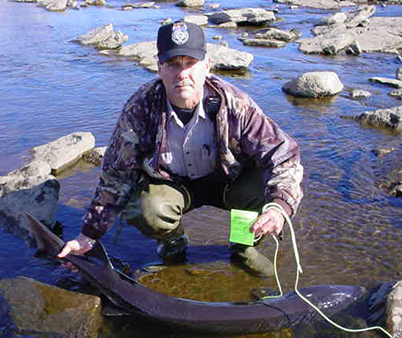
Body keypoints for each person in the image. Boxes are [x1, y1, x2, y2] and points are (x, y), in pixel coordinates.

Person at [58, 20, 304, 277]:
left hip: (230, 182)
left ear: (206, 66)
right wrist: (88, 236)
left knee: (264, 193)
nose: (182, 74)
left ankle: (243, 248)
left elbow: (283, 155)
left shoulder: (237, 105)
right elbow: (115, 177)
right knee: (145, 209)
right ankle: (173, 243)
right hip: (173, 185)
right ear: (159, 68)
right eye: (173, 64)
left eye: (190, 64)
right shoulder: (139, 110)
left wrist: (279, 207)